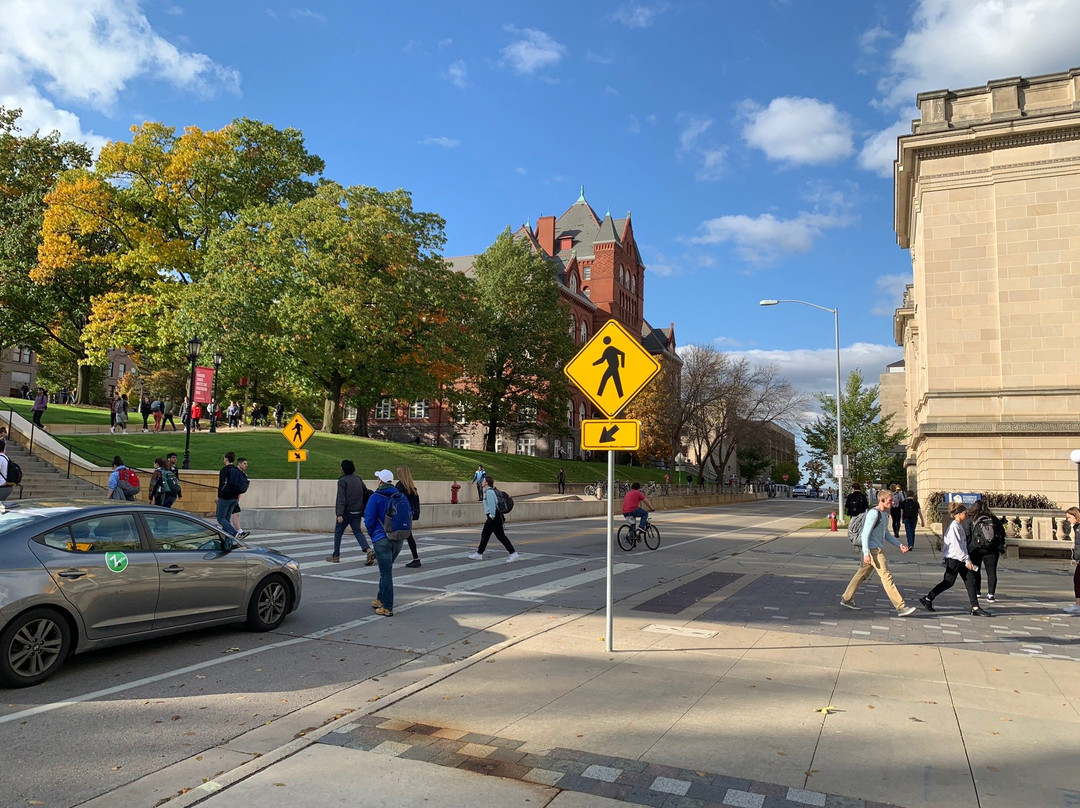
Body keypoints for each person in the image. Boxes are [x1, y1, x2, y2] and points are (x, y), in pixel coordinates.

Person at [840, 489, 917, 616]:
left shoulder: (884, 515)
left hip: (874, 549)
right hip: (873, 551)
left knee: (861, 574)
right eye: (890, 501)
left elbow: (886, 534)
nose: (893, 503)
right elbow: (865, 534)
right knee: (887, 577)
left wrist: (900, 545)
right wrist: (866, 553)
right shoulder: (873, 514)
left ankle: (846, 598)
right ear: (882, 500)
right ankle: (901, 607)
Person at [918, 502, 988, 616]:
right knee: (948, 582)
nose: (967, 515)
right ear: (958, 514)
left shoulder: (959, 525)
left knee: (970, 580)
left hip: (960, 558)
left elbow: (962, 545)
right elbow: (956, 546)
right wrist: (966, 560)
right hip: (954, 559)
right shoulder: (954, 527)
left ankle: (975, 607)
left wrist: (966, 559)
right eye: (965, 513)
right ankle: (928, 598)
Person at [364, 469, 407, 617]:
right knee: (386, 571)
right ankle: (380, 598)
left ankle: (387, 606)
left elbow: (369, 519)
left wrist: (373, 535)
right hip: (398, 538)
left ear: (381, 481)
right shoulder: (400, 496)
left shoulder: (375, 497)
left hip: (382, 539)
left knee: (386, 573)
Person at [326, 459, 375, 565]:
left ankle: (336, 555)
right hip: (357, 511)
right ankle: (368, 550)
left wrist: (339, 514)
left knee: (338, 532)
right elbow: (365, 492)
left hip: (346, 512)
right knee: (357, 532)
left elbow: (341, 498)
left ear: (343, 469)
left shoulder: (342, 481)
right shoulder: (358, 479)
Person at [469, 474, 518, 562]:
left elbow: (492, 505)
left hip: (494, 517)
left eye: (483, 480)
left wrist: (491, 516)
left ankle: (513, 553)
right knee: (485, 534)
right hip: (493, 516)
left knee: (500, 536)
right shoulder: (488, 491)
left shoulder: (489, 492)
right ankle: (479, 553)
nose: (482, 482)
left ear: (487, 483)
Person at [965, 498, 1006, 604]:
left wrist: (968, 547)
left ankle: (977, 591)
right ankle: (991, 594)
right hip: (992, 549)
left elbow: (967, 534)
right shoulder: (992, 518)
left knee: (975, 570)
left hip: (976, 549)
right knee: (991, 572)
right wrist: (1000, 544)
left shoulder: (971, 518)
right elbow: (1002, 532)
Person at [216, 451, 249, 538]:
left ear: (226, 459)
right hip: (235, 497)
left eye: (224, 458)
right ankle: (226, 538)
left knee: (220, 518)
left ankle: (234, 533)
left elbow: (221, 485)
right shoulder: (237, 470)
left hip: (225, 497)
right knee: (226, 518)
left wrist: (219, 496)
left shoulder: (224, 470)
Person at [395, 465, 423, 568]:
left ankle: (416, 558)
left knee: (394, 533)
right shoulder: (412, 487)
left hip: (401, 514)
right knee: (408, 535)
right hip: (409, 514)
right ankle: (416, 558)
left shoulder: (400, 486)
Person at [1064, 507, 1080, 615]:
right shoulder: (1077, 527)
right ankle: (1078, 604)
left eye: (1069, 517)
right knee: (1077, 580)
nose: (1068, 520)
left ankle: (1078, 605)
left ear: (1076, 516)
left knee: (1077, 579)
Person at [231, 457, 249, 534]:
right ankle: (239, 531)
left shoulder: (241, 473)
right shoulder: (236, 472)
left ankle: (237, 530)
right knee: (236, 513)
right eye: (244, 463)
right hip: (232, 496)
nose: (246, 465)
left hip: (235, 496)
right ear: (239, 463)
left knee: (233, 513)